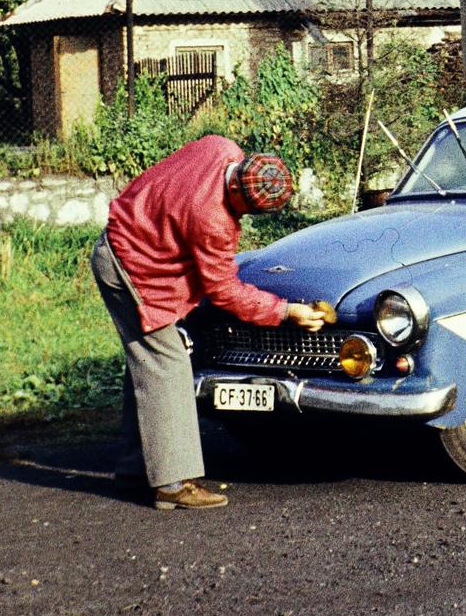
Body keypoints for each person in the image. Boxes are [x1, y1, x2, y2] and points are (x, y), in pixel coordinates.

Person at [91, 135, 325, 510]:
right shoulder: (212, 219)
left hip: (126, 238)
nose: (242, 217)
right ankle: (171, 483)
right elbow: (224, 291)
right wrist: (284, 311)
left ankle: (135, 469)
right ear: (235, 186)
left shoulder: (219, 147)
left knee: (147, 364)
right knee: (168, 366)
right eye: (242, 209)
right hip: (130, 266)